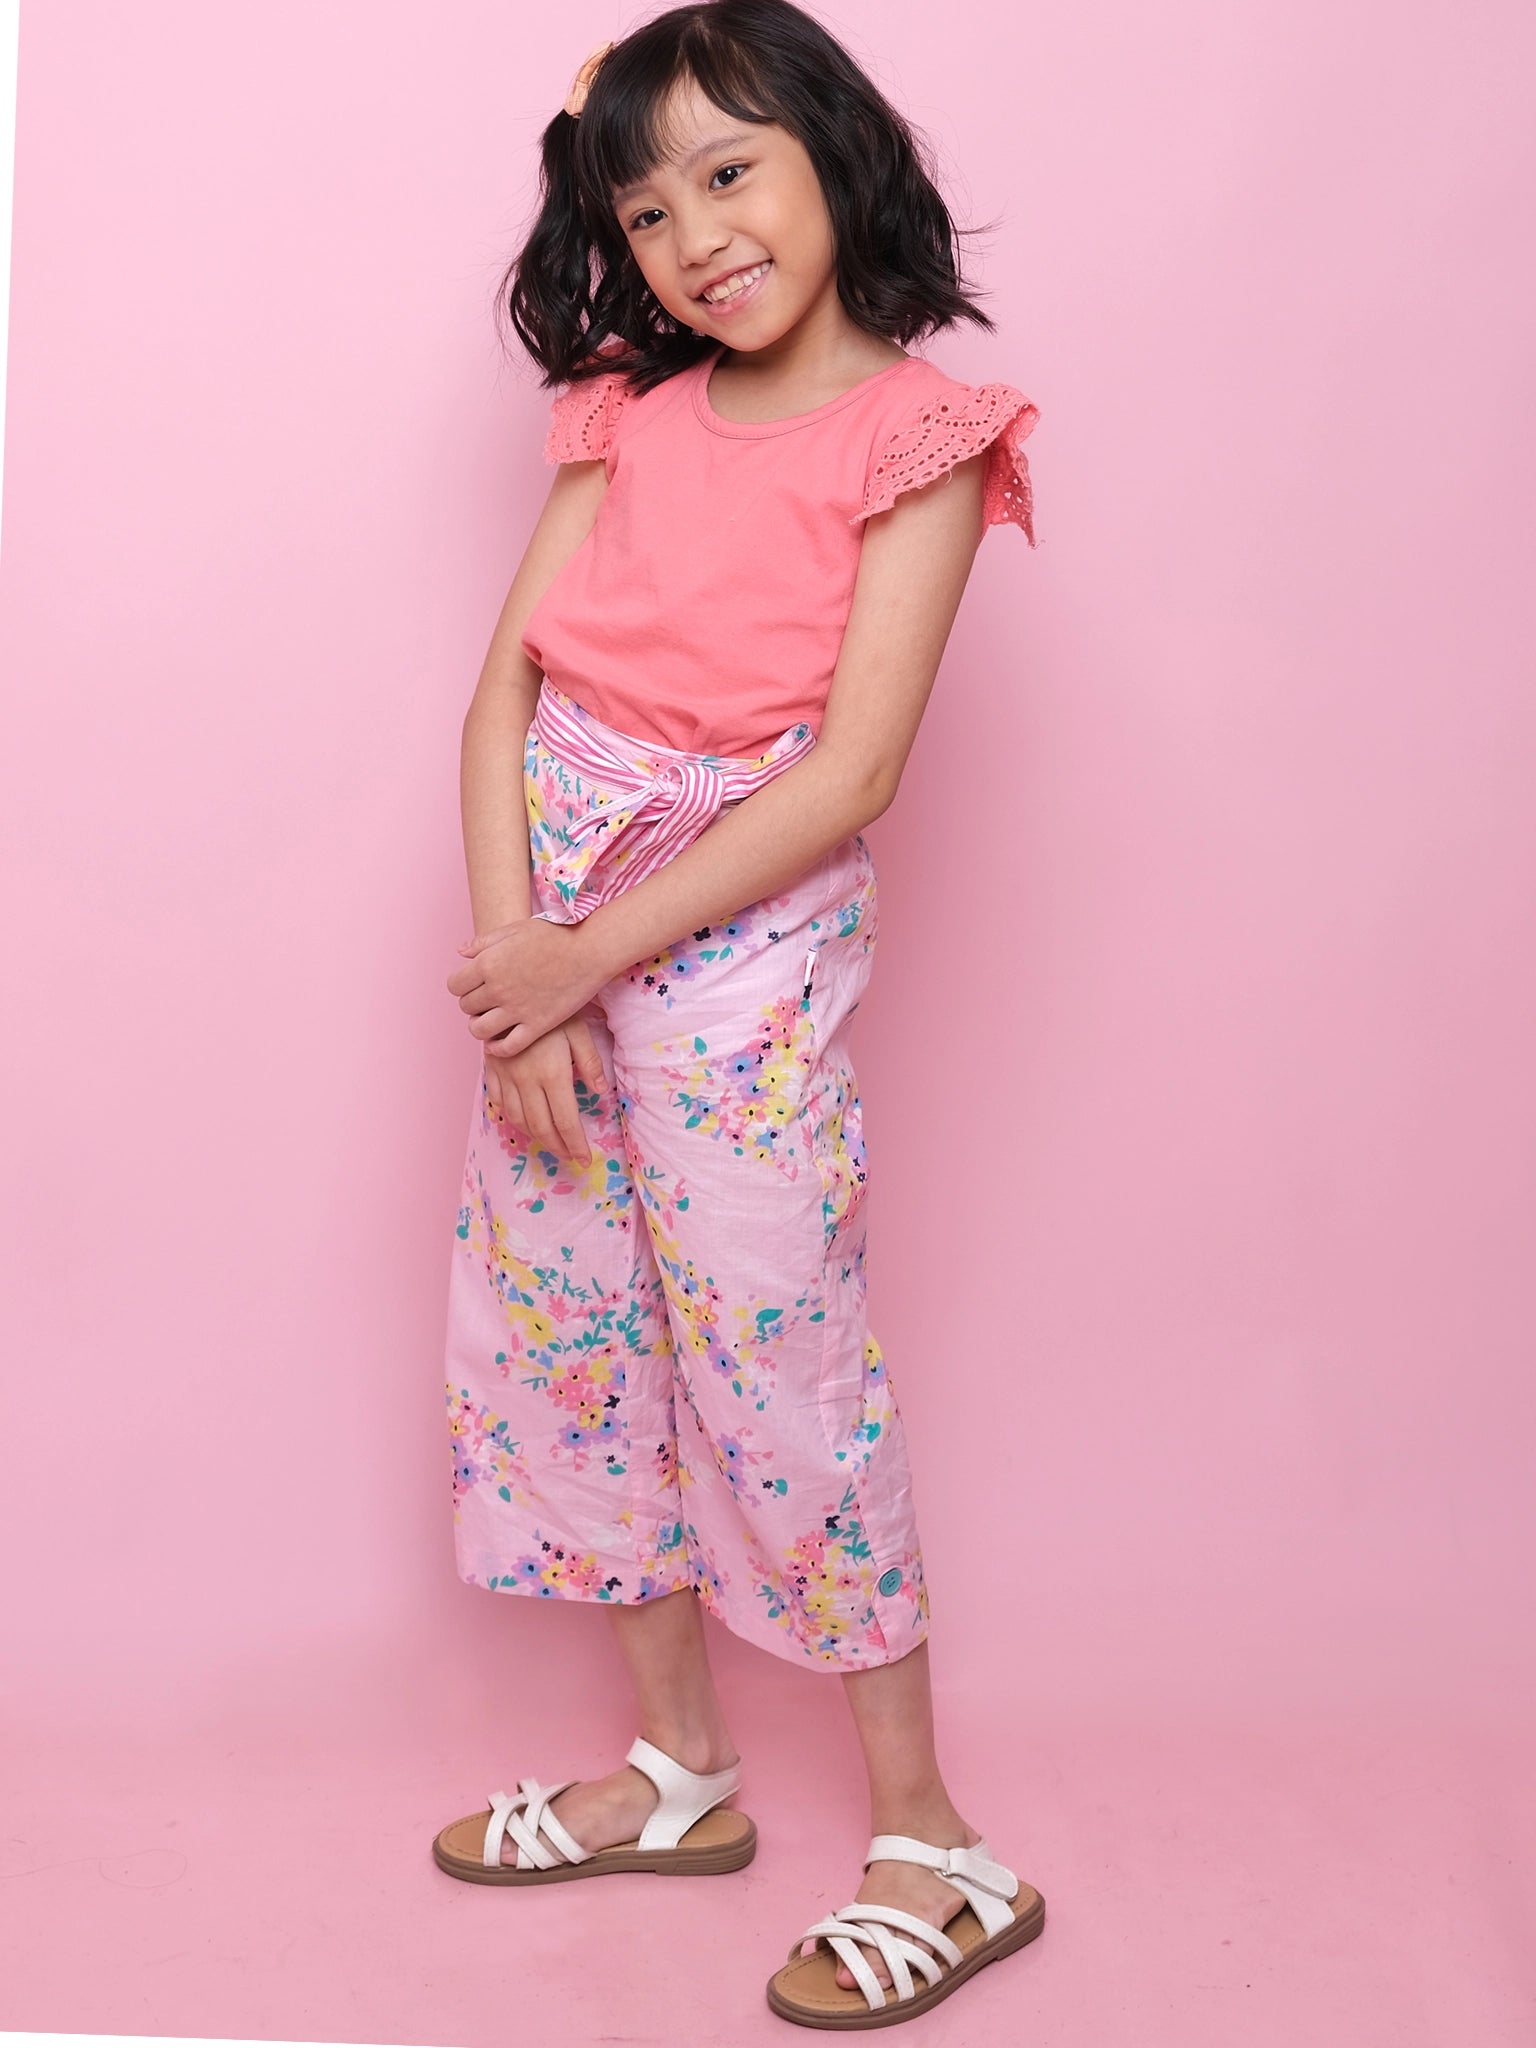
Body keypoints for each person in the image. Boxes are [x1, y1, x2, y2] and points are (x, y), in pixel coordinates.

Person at [434, 0, 1045, 2025]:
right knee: (579, 1348)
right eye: (646, 201)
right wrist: (524, 980)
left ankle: (934, 1838)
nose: (694, 231)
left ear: (829, 153)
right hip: (559, 954)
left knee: (778, 1368)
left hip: (728, 950)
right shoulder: (626, 412)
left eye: (727, 167)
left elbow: (848, 774)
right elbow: (508, 691)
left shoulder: (916, 441)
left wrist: (583, 965)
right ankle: (687, 1771)